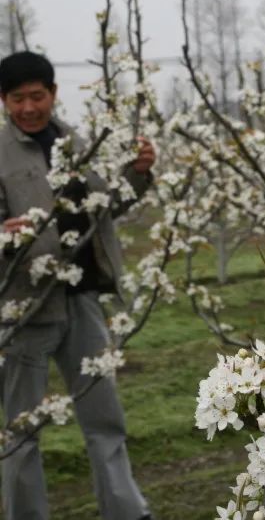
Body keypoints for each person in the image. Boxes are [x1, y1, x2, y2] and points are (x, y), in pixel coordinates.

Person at [0, 51, 154, 520]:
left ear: (53, 94)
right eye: (17, 99)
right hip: (24, 308)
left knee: (103, 417)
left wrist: (138, 173)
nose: (28, 108)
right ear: (3, 101)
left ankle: (127, 510)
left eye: (37, 96)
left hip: (83, 299)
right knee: (20, 428)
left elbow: (108, 204)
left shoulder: (76, 141)